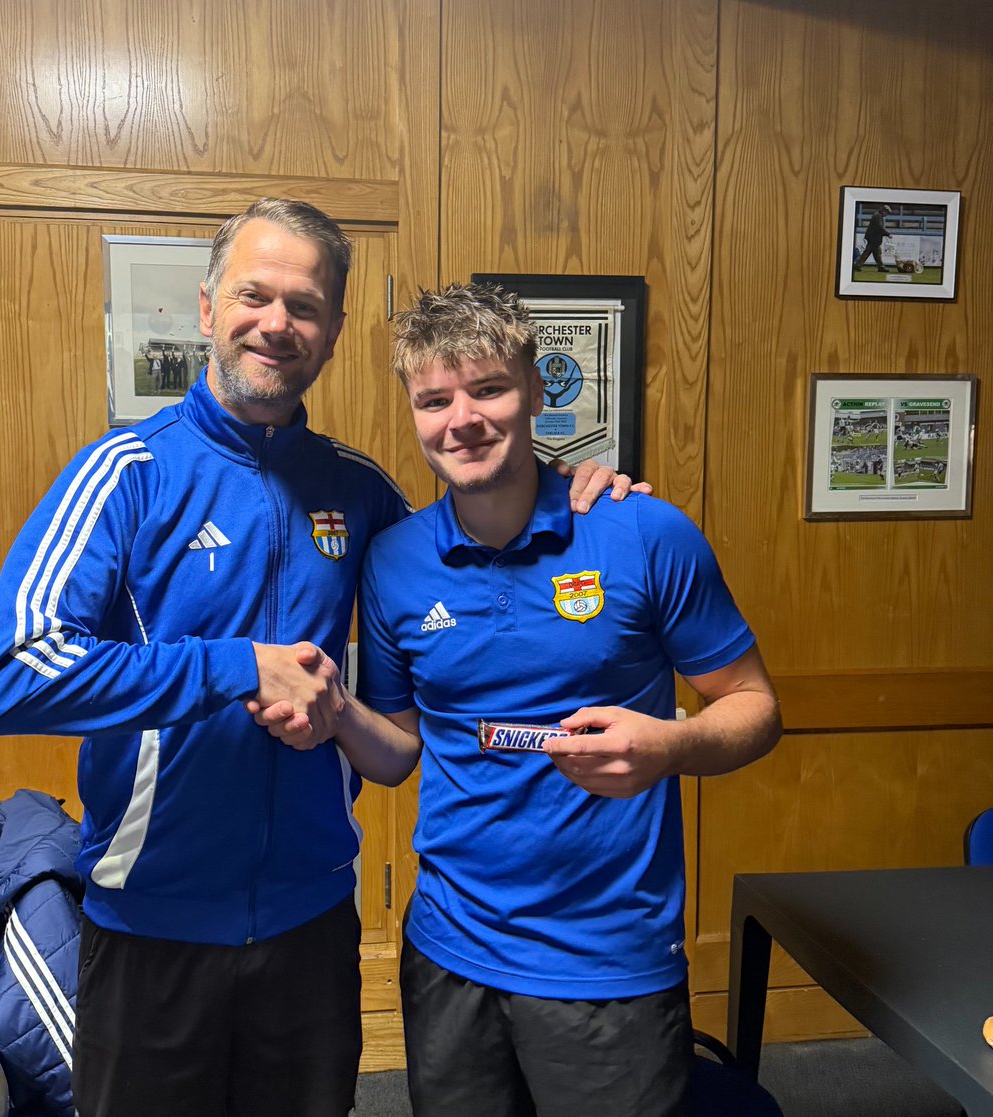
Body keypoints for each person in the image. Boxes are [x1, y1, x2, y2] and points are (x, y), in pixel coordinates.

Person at [0, 200, 639, 1117]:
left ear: (331, 335)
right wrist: (236, 667)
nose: (277, 323)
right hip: (152, 925)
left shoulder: (361, 491)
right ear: (209, 309)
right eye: (255, 295)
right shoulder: (124, 473)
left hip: (314, 925)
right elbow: (9, 674)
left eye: (306, 306)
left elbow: (477, 556)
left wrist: (579, 484)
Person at [256, 283, 782, 1116]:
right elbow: (398, 753)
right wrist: (334, 713)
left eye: (489, 388)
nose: (461, 418)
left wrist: (672, 747)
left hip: (608, 958)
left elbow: (755, 705)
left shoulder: (642, 531)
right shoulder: (393, 561)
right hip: (449, 953)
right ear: (416, 412)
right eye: (435, 399)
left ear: (537, 391)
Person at [855, 203, 894, 272]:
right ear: (884, 210)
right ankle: (857, 265)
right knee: (868, 252)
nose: (886, 214)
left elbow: (879, 228)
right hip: (873, 238)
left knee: (876, 253)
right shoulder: (878, 216)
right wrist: (887, 234)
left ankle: (880, 266)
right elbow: (879, 228)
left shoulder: (878, 215)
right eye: (887, 212)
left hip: (873, 238)